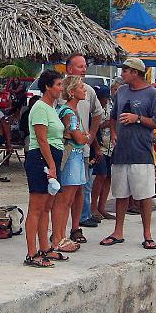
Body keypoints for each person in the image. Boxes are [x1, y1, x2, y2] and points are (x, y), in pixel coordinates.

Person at [101, 57, 156, 250]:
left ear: (135, 72)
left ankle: (147, 234)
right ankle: (118, 231)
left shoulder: (153, 94)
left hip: (141, 152)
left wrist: (137, 118)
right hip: (121, 152)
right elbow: (113, 117)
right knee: (121, 194)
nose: (122, 74)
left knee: (144, 196)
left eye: (126, 70)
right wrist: (113, 132)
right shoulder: (121, 92)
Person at [23, 69, 64, 268]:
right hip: (40, 158)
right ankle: (32, 252)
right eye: (58, 84)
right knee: (36, 207)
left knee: (46, 206)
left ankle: (45, 247)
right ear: (48, 87)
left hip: (50, 157)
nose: (61, 88)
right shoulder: (40, 107)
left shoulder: (51, 108)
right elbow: (41, 138)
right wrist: (52, 164)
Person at [60, 54, 103, 237]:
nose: (84, 69)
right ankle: (59, 231)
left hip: (80, 150)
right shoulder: (60, 90)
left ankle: (76, 226)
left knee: (79, 189)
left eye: (85, 66)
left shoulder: (89, 91)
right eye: (80, 66)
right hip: (66, 149)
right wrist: (84, 137)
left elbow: (98, 113)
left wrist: (91, 136)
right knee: (64, 192)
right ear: (69, 69)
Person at [50, 75, 90, 255]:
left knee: (67, 199)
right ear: (72, 92)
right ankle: (58, 237)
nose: (85, 89)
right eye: (82, 87)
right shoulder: (69, 112)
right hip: (72, 155)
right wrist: (86, 136)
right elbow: (79, 137)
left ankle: (60, 235)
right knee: (64, 200)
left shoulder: (69, 111)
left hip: (75, 155)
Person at [90, 85, 113, 222]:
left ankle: (102, 206)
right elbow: (93, 128)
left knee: (108, 177)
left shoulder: (110, 107)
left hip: (111, 146)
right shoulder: (94, 109)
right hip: (100, 146)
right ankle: (94, 207)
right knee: (100, 175)